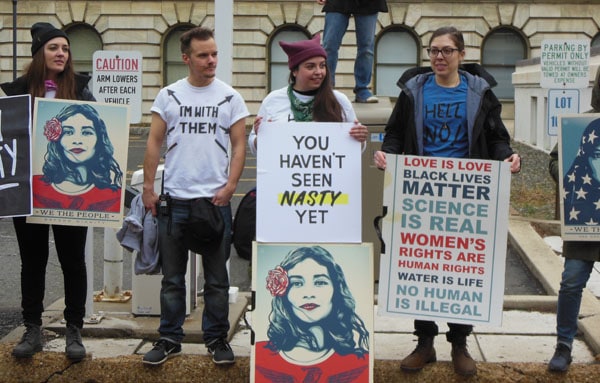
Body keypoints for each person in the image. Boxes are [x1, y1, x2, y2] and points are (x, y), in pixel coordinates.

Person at [373, 26, 521, 376]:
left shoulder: (480, 93)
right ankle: (425, 342)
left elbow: (496, 137)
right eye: (433, 50)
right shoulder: (414, 92)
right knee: (421, 266)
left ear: (461, 55)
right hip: (420, 194)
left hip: (466, 196)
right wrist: (387, 154)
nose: (439, 57)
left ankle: (459, 342)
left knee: (460, 268)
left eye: (447, 51)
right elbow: (394, 134)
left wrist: (509, 156)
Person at [141, 26, 248, 366]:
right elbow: (154, 142)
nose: (211, 60)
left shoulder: (230, 97)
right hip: (175, 201)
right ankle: (169, 338)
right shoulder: (169, 96)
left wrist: (231, 185)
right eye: (203, 55)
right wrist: (148, 188)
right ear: (186, 58)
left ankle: (216, 340)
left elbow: (239, 144)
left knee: (217, 280)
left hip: (214, 201)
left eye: (214, 54)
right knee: (173, 279)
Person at [0, 22, 94, 361]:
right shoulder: (16, 92)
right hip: (28, 192)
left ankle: (74, 329)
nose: (61, 54)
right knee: (32, 261)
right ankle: (32, 327)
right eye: (54, 48)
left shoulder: (81, 90)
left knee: (73, 261)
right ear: (39, 53)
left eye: (65, 49)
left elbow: (101, 131)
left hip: (70, 192)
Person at [547, 69, 600, 372]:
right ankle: (563, 345)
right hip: (585, 221)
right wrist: (568, 181)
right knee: (571, 282)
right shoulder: (583, 124)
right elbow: (555, 160)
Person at [255, 246, 370, 382]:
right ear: (283, 293)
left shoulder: (360, 362)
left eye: (320, 282)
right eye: (297, 283)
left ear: (336, 290)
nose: (308, 293)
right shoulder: (260, 355)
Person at [248, 33, 368, 154]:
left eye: (322, 66)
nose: (318, 72)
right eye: (310, 67)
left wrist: (360, 138)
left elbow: (356, 150)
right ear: (295, 71)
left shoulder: (339, 100)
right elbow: (254, 147)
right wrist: (261, 137)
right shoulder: (273, 100)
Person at [34, 103, 123, 212]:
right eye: (68, 132)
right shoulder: (35, 186)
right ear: (57, 139)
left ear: (99, 139)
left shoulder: (114, 195)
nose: (77, 140)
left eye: (86, 132)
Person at [316, 0, 388, 103]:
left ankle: (362, 89)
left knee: (366, 47)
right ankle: (326, 88)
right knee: (329, 45)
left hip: (369, 3)